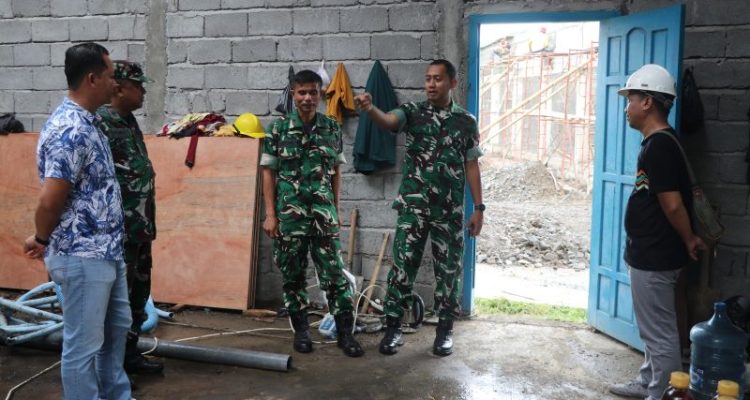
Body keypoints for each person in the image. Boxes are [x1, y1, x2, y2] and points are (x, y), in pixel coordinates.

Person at [23, 42, 132, 400]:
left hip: (106, 251)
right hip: (81, 254)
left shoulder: (90, 122)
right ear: (92, 79)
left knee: (115, 331)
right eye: (111, 76)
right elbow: (50, 199)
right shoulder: (70, 130)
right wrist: (41, 238)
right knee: (83, 344)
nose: (116, 83)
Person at [354, 59, 485, 357]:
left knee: (449, 272)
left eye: (437, 79)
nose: (431, 84)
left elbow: (472, 165)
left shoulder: (466, 121)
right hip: (413, 208)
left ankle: (445, 331)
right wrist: (371, 109)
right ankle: (393, 329)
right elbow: (389, 121)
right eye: (427, 78)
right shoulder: (413, 112)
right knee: (402, 268)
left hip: (448, 212)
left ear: (452, 83)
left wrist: (479, 208)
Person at [608, 64, 706, 400]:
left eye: (631, 99)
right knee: (653, 328)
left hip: (656, 255)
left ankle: (663, 393)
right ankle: (649, 381)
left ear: (648, 102)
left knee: (661, 334)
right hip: (650, 251)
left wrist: (689, 238)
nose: (627, 107)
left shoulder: (660, 146)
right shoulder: (658, 142)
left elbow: (673, 205)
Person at [260, 70, 364, 358]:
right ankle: (302, 332)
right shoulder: (278, 129)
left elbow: (336, 172)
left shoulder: (331, 128)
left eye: (313, 92)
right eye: (302, 92)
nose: (307, 98)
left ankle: (345, 334)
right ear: (293, 94)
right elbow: (268, 173)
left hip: (323, 217)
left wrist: (336, 209)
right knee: (293, 277)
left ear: (320, 95)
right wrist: (270, 215)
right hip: (289, 217)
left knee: (335, 276)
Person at [97, 60, 163, 375]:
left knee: (138, 295)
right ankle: (112, 369)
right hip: (119, 232)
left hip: (140, 228)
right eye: (138, 86)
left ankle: (129, 355)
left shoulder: (128, 120)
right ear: (119, 88)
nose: (143, 92)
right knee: (116, 302)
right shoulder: (101, 123)